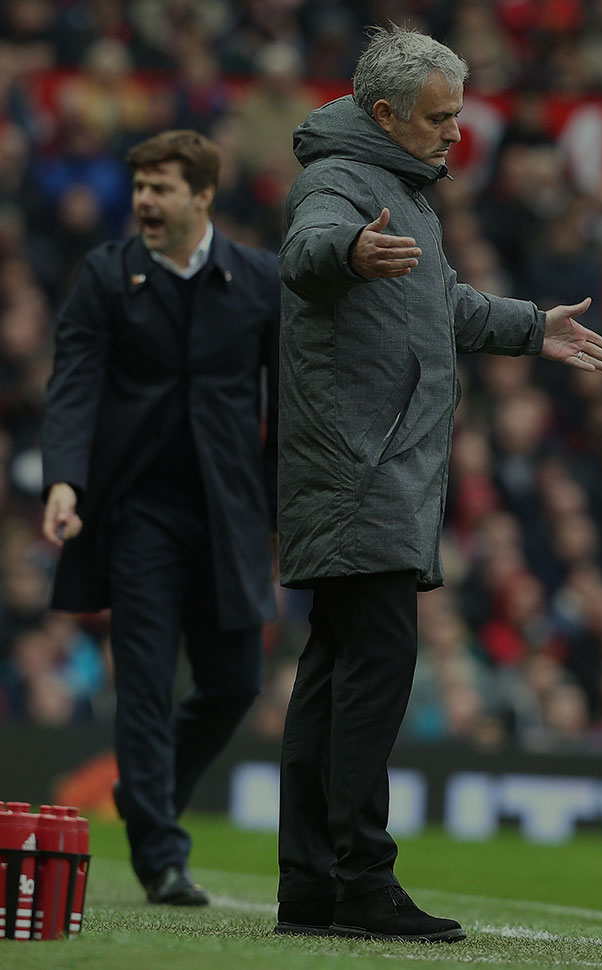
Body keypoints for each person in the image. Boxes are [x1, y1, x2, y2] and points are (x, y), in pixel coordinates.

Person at [274, 24, 602, 944]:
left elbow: (443, 303)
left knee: (334, 676)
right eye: (439, 117)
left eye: (459, 114)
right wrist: (347, 253)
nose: (457, 132)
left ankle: (309, 882)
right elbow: (306, 253)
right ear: (384, 115)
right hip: (362, 468)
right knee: (375, 673)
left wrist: (530, 324)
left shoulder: (405, 191)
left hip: (379, 467)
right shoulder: (339, 184)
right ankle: (360, 881)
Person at [41, 130, 279, 905]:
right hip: (137, 514)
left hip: (229, 512)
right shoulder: (108, 276)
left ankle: (145, 804)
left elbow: (293, 393)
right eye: (139, 185)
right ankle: (161, 857)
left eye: (162, 186)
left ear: (203, 195)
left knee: (235, 681)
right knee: (143, 684)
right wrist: (65, 483)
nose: (144, 199)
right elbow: (73, 383)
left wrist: (286, 493)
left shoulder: (257, 279)